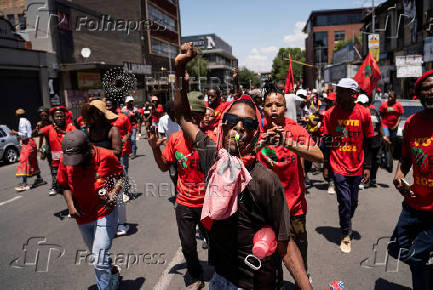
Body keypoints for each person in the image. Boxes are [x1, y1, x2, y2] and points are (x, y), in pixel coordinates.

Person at [174, 42, 312, 290]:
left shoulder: (265, 180)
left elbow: (285, 242)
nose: (238, 127)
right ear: (223, 126)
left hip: (258, 283)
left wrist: (305, 285)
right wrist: (179, 69)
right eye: (232, 120)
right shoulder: (213, 160)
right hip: (221, 279)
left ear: (255, 133)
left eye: (247, 124)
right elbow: (182, 116)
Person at [257, 91, 323, 272]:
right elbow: (239, 158)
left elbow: (319, 156)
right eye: (269, 105)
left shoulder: (296, 130)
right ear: (263, 109)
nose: (274, 109)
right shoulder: (256, 131)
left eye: (278, 105)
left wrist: (289, 143)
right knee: (270, 257)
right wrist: (260, 143)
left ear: (285, 108)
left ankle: (302, 280)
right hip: (265, 209)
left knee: (299, 255)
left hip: (295, 207)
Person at [147, 91, 208, 289]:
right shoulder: (174, 140)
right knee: (188, 245)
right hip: (184, 203)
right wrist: (155, 148)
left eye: (193, 116)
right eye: (185, 117)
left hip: (210, 203)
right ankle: (195, 275)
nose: (188, 121)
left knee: (218, 244)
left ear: (200, 117)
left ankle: (225, 274)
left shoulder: (212, 139)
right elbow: (165, 166)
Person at [57, 130, 125, 290]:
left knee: (99, 258)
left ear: (87, 150)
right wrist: (71, 206)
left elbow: (121, 175)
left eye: (76, 159)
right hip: (82, 217)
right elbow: (64, 184)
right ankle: (113, 272)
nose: (73, 164)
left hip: (104, 213)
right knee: (98, 255)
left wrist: (114, 193)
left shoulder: (106, 156)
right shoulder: (65, 159)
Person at [389, 69, 433, 290]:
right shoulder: (412, 123)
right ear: (419, 94)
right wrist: (400, 175)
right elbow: (406, 158)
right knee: (395, 248)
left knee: (417, 259)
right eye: (427, 88)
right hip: (414, 204)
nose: (432, 92)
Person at [322, 78, 375, 254]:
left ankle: (346, 220)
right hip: (337, 165)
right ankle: (346, 233)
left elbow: (368, 142)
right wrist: (326, 166)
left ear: (353, 94)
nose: (338, 94)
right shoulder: (330, 114)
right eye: (338, 90)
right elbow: (327, 142)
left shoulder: (364, 113)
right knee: (344, 201)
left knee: (353, 202)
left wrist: (367, 166)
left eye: (343, 91)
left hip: (357, 165)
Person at [37, 106, 76, 195]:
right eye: (57, 116)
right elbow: (37, 133)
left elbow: (79, 136)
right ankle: (55, 187)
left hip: (70, 162)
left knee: (71, 185)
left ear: (65, 117)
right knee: (61, 185)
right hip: (56, 161)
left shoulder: (70, 127)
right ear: (53, 118)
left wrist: (63, 133)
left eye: (61, 116)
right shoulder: (50, 127)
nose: (59, 118)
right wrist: (37, 128)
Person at [107, 99, 132, 236]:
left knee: (123, 171)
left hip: (122, 150)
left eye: (110, 105)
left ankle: (125, 192)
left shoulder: (123, 118)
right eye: (107, 106)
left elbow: (129, 131)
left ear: (115, 106)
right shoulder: (103, 119)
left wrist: (123, 139)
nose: (108, 107)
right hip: (108, 153)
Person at [11, 109, 45, 192]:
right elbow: (29, 133)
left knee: (24, 161)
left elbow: (24, 134)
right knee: (32, 161)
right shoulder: (27, 121)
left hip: (27, 144)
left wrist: (16, 133)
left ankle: (24, 183)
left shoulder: (22, 121)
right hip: (32, 142)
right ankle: (39, 179)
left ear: (17, 115)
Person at [356, 94, 384, 188]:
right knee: (374, 160)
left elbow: (379, 125)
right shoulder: (374, 111)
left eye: (361, 103)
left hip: (369, 140)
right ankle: (371, 179)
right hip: (374, 139)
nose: (360, 105)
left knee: (369, 160)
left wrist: (384, 137)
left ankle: (368, 180)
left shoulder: (362, 112)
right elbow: (380, 125)